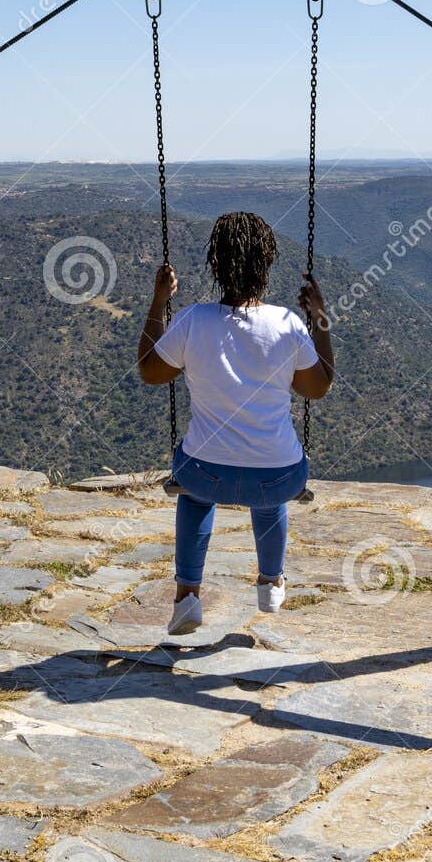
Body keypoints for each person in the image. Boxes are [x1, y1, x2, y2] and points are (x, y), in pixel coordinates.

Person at [137, 211, 334, 636]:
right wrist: (320, 319)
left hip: (204, 474)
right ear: (266, 264)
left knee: (191, 496)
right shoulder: (288, 323)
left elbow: (150, 372)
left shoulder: (192, 319)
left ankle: (187, 597)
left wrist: (157, 303)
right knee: (269, 486)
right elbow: (317, 389)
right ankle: (270, 582)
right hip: (278, 477)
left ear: (215, 263)